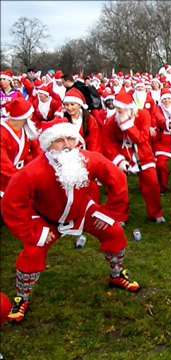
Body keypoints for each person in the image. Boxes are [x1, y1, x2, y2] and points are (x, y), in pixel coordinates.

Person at [1, 117, 140, 323]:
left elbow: (116, 178)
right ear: (48, 144)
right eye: (59, 140)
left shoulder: (87, 159)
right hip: (46, 219)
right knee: (32, 252)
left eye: (70, 139)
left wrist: (111, 212)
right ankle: (21, 296)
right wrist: (32, 231)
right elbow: (12, 203)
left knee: (114, 231)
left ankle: (116, 273)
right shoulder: (33, 171)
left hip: (82, 211)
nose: (66, 145)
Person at [102, 91, 165, 223]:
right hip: (122, 156)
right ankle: (120, 215)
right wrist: (118, 159)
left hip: (144, 154)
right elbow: (108, 145)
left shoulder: (143, 115)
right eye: (117, 109)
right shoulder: (110, 122)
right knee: (118, 186)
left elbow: (141, 138)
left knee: (152, 184)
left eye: (121, 109)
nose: (118, 112)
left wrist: (127, 125)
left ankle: (155, 213)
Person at [1, 98, 40, 199]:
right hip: (5, 179)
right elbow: (3, 163)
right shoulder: (3, 132)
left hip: (21, 174)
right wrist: (21, 178)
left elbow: (38, 151)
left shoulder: (26, 129)